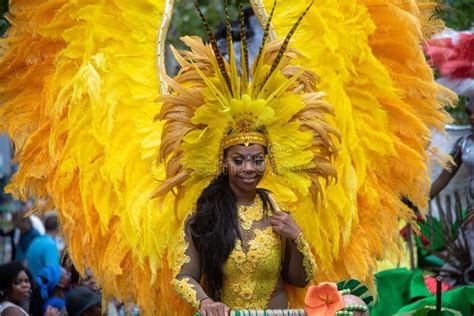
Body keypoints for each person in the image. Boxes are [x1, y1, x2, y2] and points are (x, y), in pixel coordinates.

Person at [172, 141, 317, 314]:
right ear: (224, 162)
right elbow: (184, 276)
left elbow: (300, 280)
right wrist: (206, 302)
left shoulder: (278, 209)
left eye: (257, 160)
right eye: (238, 160)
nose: (249, 168)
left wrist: (296, 238)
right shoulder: (204, 214)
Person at [430, 101, 474, 202]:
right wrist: (420, 202)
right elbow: (444, 177)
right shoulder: (464, 143)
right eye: (469, 113)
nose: (472, 117)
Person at [26, 214, 60, 279]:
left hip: (34, 285)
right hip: (43, 287)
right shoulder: (50, 245)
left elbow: (26, 263)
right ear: (58, 228)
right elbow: (53, 273)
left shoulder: (35, 241)